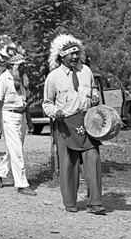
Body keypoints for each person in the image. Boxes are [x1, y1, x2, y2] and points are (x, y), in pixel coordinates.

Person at [42, 34, 105, 215]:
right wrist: (56, 112)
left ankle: (95, 203)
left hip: (87, 123)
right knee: (68, 164)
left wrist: (94, 96)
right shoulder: (53, 77)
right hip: (65, 124)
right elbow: (47, 103)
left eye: (77, 53)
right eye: (71, 54)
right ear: (62, 56)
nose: (75, 57)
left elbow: (93, 88)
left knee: (93, 159)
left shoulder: (86, 71)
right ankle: (70, 202)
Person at [0, 36, 36, 196]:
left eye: (24, 65)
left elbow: (25, 102)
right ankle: (22, 184)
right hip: (9, 117)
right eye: (20, 66)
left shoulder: (24, 80)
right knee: (17, 150)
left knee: (14, 150)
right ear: (11, 66)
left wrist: (30, 121)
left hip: (21, 117)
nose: (23, 68)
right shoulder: (4, 79)